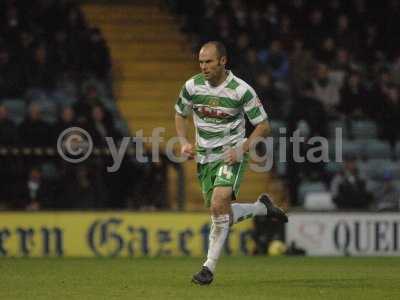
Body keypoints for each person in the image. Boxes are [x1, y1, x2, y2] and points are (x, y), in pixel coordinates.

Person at [174, 41, 288, 285]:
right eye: (201, 62)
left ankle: (208, 269)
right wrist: (184, 141)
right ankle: (261, 208)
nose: (204, 67)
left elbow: (263, 125)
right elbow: (180, 113)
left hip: (231, 155)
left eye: (209, 62)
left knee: (218, 203)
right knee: (220, 213)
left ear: (223, 61)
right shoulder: (192, 86)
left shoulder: (241, 90)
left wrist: (242, 148)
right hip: (205, 157)